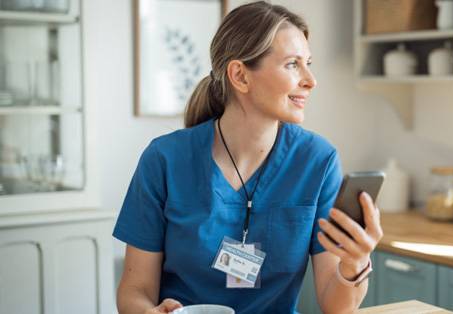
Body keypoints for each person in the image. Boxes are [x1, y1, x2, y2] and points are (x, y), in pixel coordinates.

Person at [113, 2, 383, 313]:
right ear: (240, 76)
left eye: (308, 63)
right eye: (293, 64)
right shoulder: (164, 160)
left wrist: (355, 262)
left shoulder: (317, 161)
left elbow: (337, 307)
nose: (311, 80)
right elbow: (135, 290)